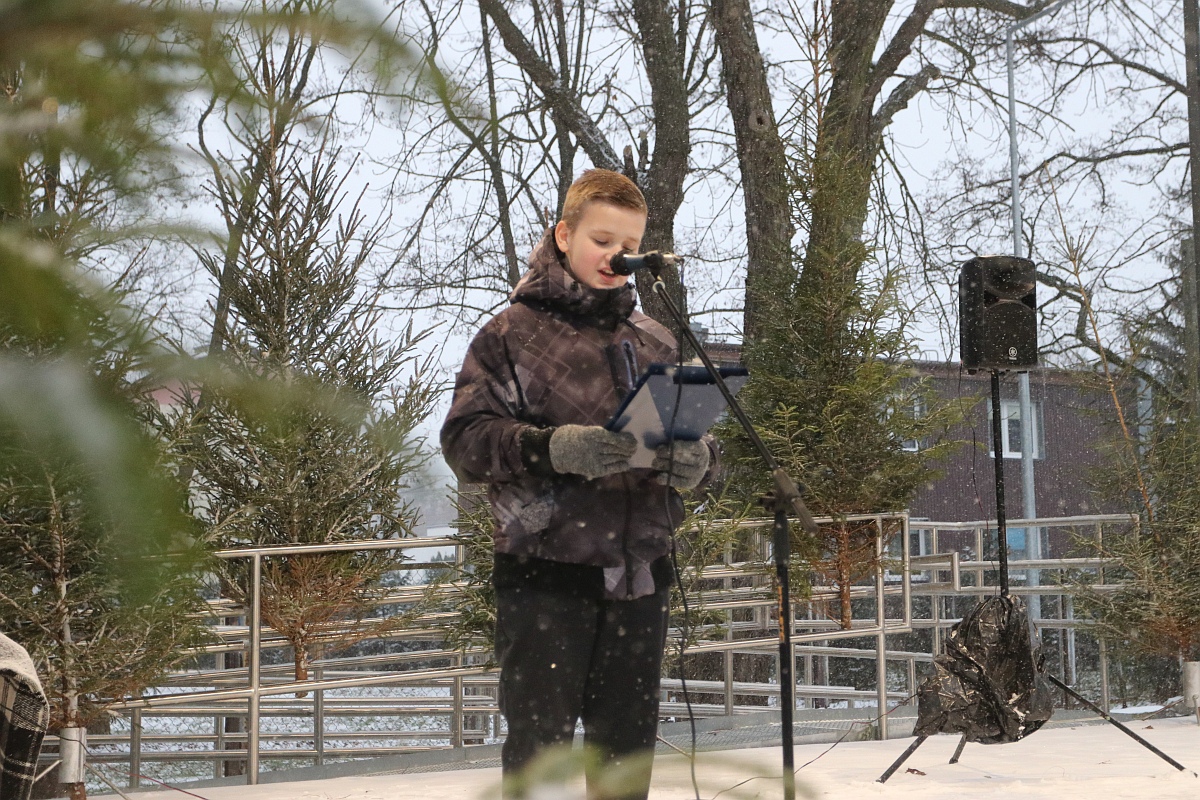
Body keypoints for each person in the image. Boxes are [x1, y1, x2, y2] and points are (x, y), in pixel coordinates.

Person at [441, 169, 717, 800]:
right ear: (563, 235)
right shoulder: (509, 333)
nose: (616, 256)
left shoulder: (656, 338)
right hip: (545, 576)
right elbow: (465, 442)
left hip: (641, 576)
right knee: (540, 760)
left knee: (624, 766)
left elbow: (696, 437)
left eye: (629, 243)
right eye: (600, 239)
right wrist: (551, 448)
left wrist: (700, 460)